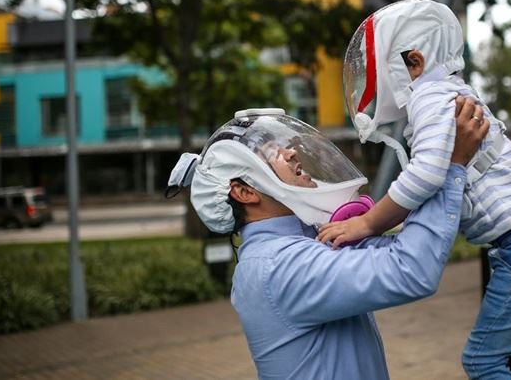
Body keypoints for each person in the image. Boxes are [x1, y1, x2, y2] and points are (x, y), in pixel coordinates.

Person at [320, 0, 511, 379]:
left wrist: (368, 224)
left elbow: (426, 175)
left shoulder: (429, 97)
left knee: (482, 361)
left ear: (415, 61)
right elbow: (437, 177)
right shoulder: (451, 92)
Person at [164, 102, 488, 380]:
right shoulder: (280, 265)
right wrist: (450, 165)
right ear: (245, 192)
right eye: (270, 154)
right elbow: (411, 269)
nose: (290, 151)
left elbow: (406, 250)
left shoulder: (304, 243)